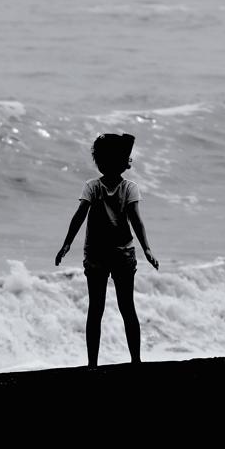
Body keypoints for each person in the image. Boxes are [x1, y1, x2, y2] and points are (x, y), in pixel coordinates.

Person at [55, 133, 158, 368]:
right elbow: (80, 215)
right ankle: (128, 362)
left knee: (107, 309)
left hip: (108, 255)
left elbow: (136, 221)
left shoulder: (100, 186)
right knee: (115, 309)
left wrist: (147, 249)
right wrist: (67, 243)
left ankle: (104, 364)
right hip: (110, 255)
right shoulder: (107, 187)